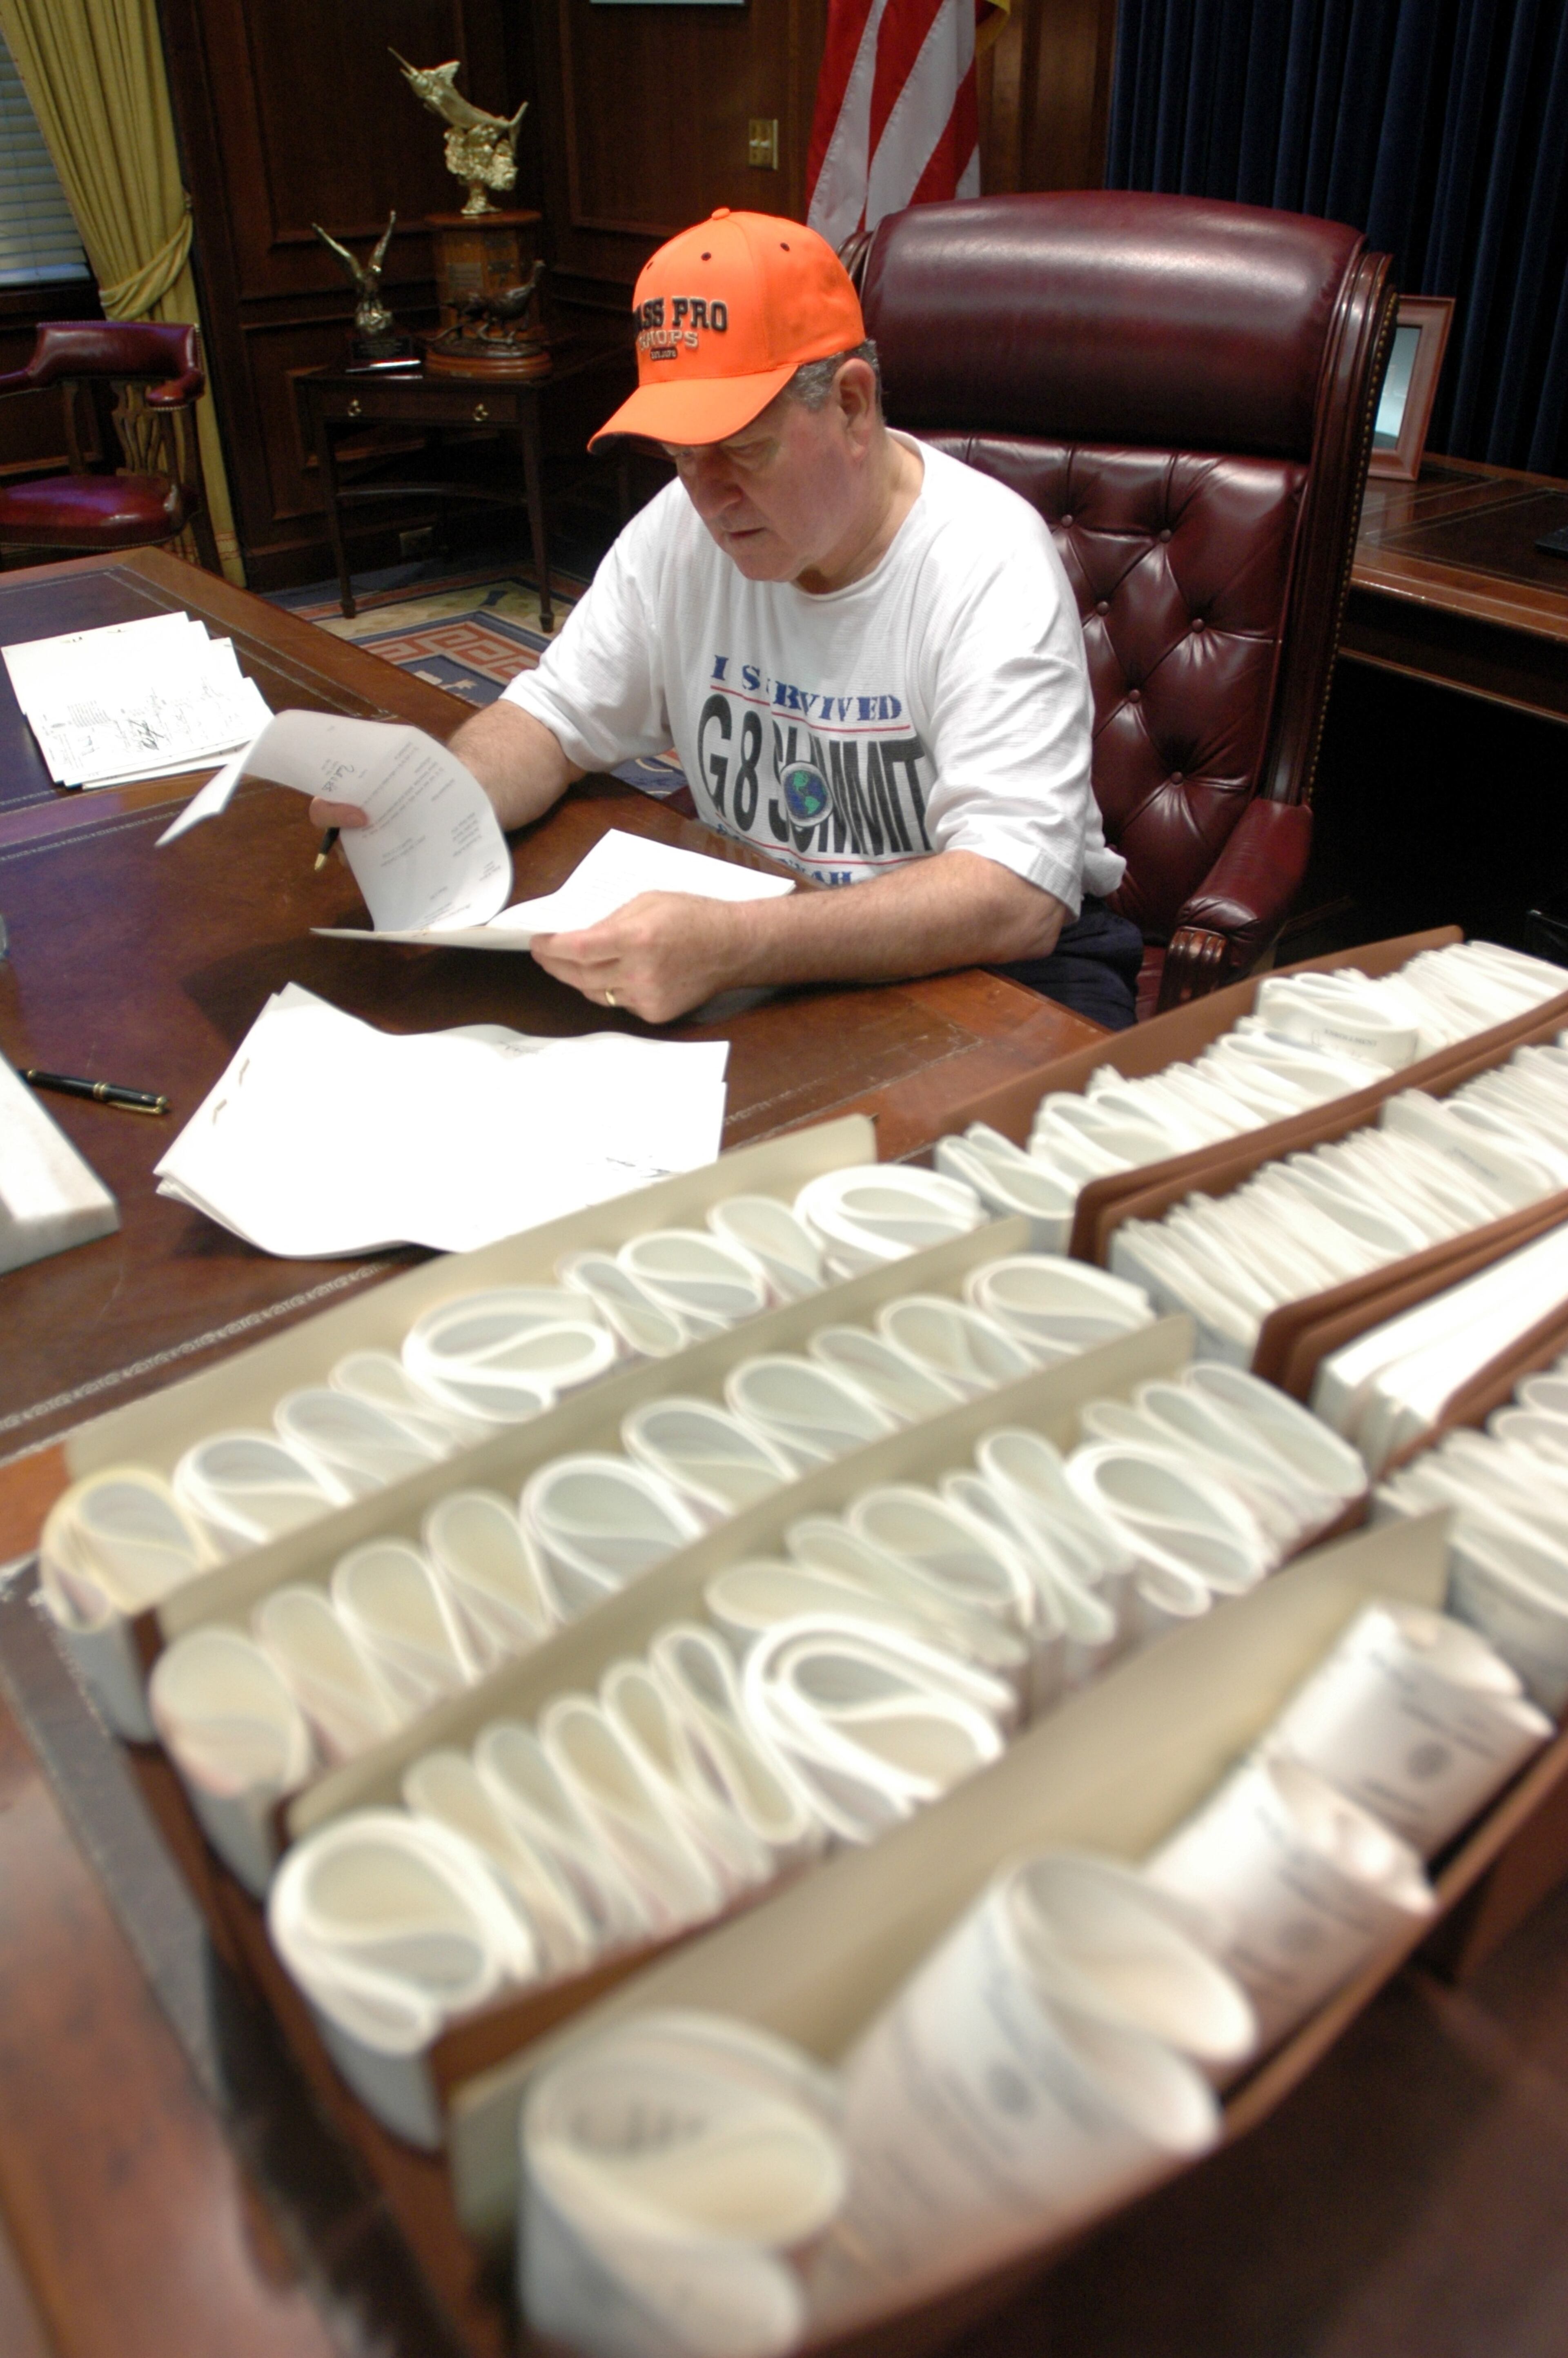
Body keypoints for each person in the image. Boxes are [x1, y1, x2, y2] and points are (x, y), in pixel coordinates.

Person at [313, 207, 1141, 1027]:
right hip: (779, 938)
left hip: (996, 978)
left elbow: (1014, 896)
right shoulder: (681, 527)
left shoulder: (987, 559)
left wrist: (739, 944)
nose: (707, 498)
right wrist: (438, 797)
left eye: (742, 449)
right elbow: (552, 720)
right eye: (680, 454)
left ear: (852, 405)